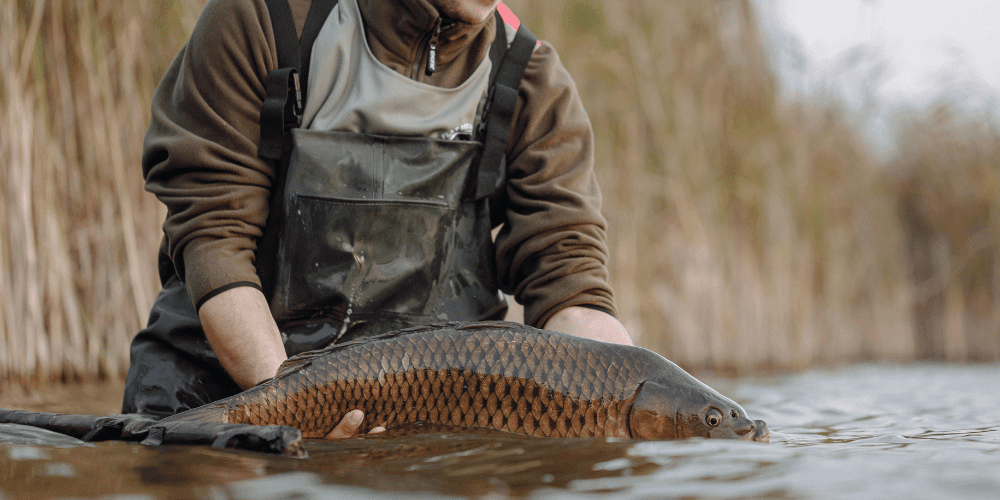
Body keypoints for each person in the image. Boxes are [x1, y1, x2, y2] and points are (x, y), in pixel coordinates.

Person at [122, 0, 633, 438]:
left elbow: (571, 286)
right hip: (216, 398)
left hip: (421, 434)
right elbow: (215, 238)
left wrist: (629, 400)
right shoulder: (264, 16)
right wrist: (294, 407)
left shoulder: (531, 76)